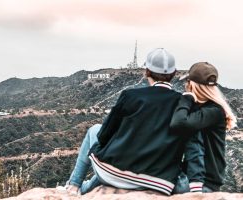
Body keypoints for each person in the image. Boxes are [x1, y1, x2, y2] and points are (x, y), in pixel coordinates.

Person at [57, 48, 200, 196]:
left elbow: (104, 135)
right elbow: (192, 151)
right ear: (174, 73)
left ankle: (73, 186)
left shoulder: (130, 95)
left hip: (112, 174)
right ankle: (85, 187)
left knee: (94, 130)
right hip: (159, 182)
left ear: (147, 72)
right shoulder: (185, 105)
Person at [170, 62, 237, 192]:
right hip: (198, 179)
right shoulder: (209, 109)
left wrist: (186, 98)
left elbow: (179, 123)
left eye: (187, 82)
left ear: (192, 85)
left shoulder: (214, 111)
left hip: (203, 183)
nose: (185, 85)